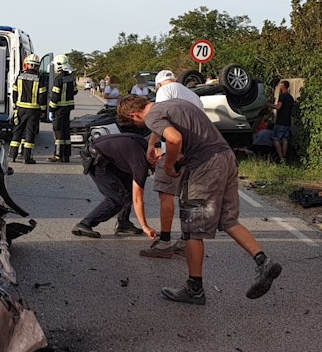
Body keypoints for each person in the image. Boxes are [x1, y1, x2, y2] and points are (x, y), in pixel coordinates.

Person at [117, 94, 281, 305]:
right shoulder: (177, 103)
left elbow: (175, 138)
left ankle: (194, 288)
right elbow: (196, 136)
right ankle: (263, 261)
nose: (143, 126)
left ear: (134, 115)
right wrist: (183, 157)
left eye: (135, 123)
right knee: (228, 220)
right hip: (226, 158)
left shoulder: (152, 116)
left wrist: (169, 165)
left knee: (192, 227)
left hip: (206, 166)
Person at [140, 70, 203, 259]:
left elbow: (160, 120)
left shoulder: (164, 91)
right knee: (187, 199)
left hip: (175, 151)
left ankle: (165, 242)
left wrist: (153, 145)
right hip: (195, 152)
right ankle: (185, 241)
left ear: (159, 84)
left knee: (166, 194)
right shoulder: (193, 95)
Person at [72, 132, 152, 239]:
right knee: (118, 197)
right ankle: (85, 224)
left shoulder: (145, 145)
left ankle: (123, 224)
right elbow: (138, 198)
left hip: (108, 158)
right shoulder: (140, 163)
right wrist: (145, 226)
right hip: (97, 161)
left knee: (128, 188)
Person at [9, 53, 46, 164]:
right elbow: (42, 95)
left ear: (27, 65)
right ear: (36, 66)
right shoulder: (39, 79)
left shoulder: (20, 76)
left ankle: (12, 156)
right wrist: (43, 110)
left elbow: (14, 92)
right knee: (29, 133)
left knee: (17, 132)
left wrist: (15, 106)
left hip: (20, 109)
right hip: (33, 110)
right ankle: (27, 157)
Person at [47, 63, 79, 162]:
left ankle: (58, 155)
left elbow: (55, 96)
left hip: (59, 109)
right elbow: (75, 91)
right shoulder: (71, 78)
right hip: (67, 108)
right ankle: (66, 156)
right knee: (66, 132)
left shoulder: (58, 79)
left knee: (58, 132)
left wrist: (51, 109)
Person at [271, 80, 295, 163]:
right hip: (287, 122)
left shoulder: (282, 96)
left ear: (283, 86)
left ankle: (281, 158)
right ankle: (284, 158)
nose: (279, 87)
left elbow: (278, 107)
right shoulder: (291, 98)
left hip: (280, 122)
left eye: (280, 85)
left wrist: (267, 104)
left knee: (276, 139)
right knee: (285, 140)